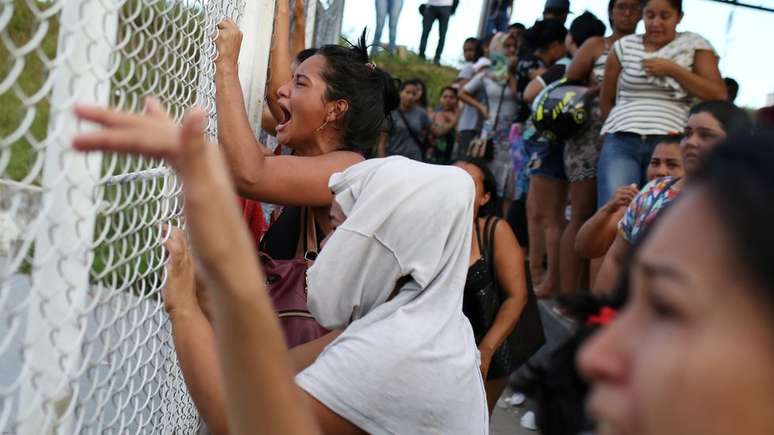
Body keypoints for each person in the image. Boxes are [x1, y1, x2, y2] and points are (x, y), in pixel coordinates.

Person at [73, 99, 491, 435]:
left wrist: (183, 307)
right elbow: (273, 370)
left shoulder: (397, 353)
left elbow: (238, 420)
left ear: (384, 245)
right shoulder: (424, 322)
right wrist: (208, 296)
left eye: (339, 231)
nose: (326, 245)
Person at [578, 133, 774, 435]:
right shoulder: (650, 197)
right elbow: (590, 249)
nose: (593, 357)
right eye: (655, 162)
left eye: (665, 309)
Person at [594, 101, 751, 295]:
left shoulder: (746, 206)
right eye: (687, 134)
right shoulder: (654, 191)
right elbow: (616, 259)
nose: (691, 142)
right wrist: (601, 310)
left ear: (736, 143)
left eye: (705, 135)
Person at [597, 0, 727, 208]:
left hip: (671, 144)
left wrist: (673, 69)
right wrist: (609, 131)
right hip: (622, 139)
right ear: (642, 15)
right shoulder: (623, 46)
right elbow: (606, 99)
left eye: (665, 16)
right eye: (650, 16)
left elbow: (718, 94)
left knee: (665, 212)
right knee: (615, 210)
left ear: (679, 17)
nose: (656, 23)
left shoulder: (694, 45)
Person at [558, 0, 643, 294]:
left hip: (628, 135)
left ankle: (591, 292)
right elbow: (567, 86)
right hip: (588, 136)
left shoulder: (646, 49)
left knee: (616, 218)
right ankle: (568, 294)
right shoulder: (596, 45)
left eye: (634, 8)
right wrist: (597, 89)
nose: (628, 13)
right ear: (611, 12)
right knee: (582, 213)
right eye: (622, 7)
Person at [520, 14, 604, 298]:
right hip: (568, 144)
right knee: (544, 215)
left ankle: (546, 280)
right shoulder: (589, 69)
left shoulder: (565, 68)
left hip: (553, 144)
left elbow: (529, 94)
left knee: (549, 218)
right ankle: (542, 277)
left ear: (570, 40)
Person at [456, 158, 529, 414]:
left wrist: (486, 350)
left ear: (485, 197)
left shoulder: (495, 231)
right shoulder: (426, 226)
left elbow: (517, 297)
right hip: (434, 349)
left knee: (470, 423)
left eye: (469, 182)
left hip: (485, 351)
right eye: (453, 178)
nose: (459, 186)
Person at [575, 138, 684, 280]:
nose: (661, 171)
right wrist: (608, 209)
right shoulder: (633, 205)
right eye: (655, 163)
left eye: (672, 164)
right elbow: (584, 248)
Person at [459, 32, 520, 214]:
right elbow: (463, 92)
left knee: (509, 182)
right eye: (507, 46)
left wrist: (511, 72)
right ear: (497, 48)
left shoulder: (518, 73)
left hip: (513, 132)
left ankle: (502, 222)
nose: (511, 50)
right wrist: (481, 107)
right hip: (491, 130)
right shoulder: (486, 74)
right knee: (488, 174)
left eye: (514, 46)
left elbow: (519, 97)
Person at [378, 79, 432, 161]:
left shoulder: (422, 113)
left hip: (415, 160)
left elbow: (429, 132)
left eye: (414, 94)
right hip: (395, 160)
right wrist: (382, 161)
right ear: (400, 92)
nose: (410, 96)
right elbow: (382, 142)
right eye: (407, 92)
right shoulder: (391, 113)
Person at [455, 38, 487, 159]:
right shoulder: (469, 67)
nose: (467, 53)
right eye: (465, 50)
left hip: (471, 123)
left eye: (471, 50)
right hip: (469, 123)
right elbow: (461, 94)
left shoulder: (478, 68)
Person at [427, 86, 461, 163]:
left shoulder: (461, 118)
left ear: (456, 100)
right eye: (445, 97)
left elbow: (459, 137)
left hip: (453, 160)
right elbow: (437, 132)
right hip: (432, 159)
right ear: (440, 99)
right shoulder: (433, 115)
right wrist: (454, 121)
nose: (448, 100)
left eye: (451, 97)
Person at [418, 0, 456, 65]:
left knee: (442, 35)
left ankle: (437, 58)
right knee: (425, 32)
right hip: (431, 5)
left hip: (446, 6)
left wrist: (453, 8)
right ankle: (421, 55)